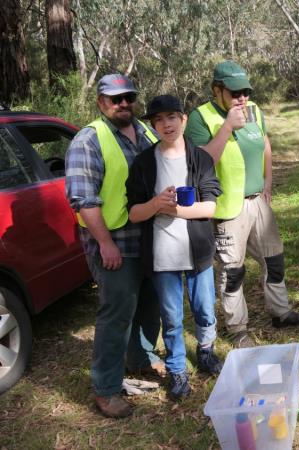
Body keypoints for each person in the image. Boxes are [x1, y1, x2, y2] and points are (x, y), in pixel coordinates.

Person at [186, 60, 299, 348]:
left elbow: (265, 144)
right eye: (234, 92)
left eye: (245, 91)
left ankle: (280, 312)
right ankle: (238, 328)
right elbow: (200, 164)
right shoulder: (200, 118)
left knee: (274, 260)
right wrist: (227, 127)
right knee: (233, 271)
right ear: (217, 90)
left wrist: (268, 181)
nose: (242, 98)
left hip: (259, 202)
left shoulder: (253, 110)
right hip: (228, 209)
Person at [65, 74, 163, 418]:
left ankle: (141, 359)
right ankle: (106, 389)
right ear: (101, 102)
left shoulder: (147, 131)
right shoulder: (88, 140)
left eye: (128, 97)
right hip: (114, 243)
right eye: (115, 99)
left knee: (150, 306)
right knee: (117, 315)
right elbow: (84, 200)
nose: (123, 104)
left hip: (149, 240)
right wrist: (105, 243)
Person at [126, 95, 223, 400]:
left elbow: (210, 207)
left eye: (172, 117)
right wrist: (156, 204)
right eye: (158, 120)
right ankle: (178, 369)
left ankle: (206, 351)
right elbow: (133, 212)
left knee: (205, 308)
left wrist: (174, 211)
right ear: (152, 126)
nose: (166, 124)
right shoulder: (143, 163)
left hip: (198, 250)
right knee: (171, 317)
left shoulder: (200, 158)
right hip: (162, 255)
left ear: (183, 119)